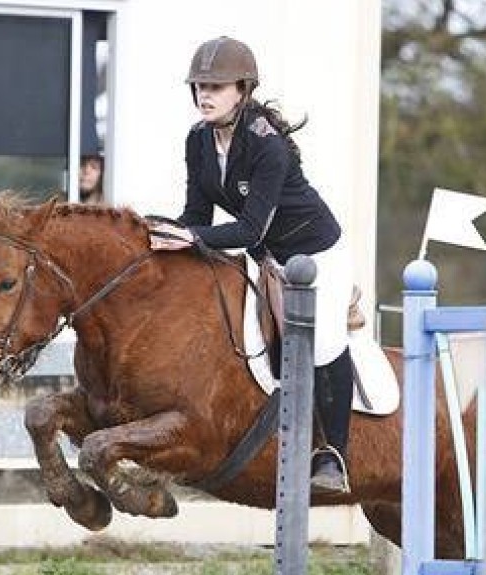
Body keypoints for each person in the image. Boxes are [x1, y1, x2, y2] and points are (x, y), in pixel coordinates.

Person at [148, 36, 357, 495]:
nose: (205, 94)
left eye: (216, 86)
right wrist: (159, 232)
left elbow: (249, 229)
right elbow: (196, 219)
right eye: (200, 85)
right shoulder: (199, 140)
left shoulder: (267, 144)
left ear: (242, 90)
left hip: (319, 255)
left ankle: (334, 455)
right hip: (270, 261)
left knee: (320, 341)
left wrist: (191, 237)